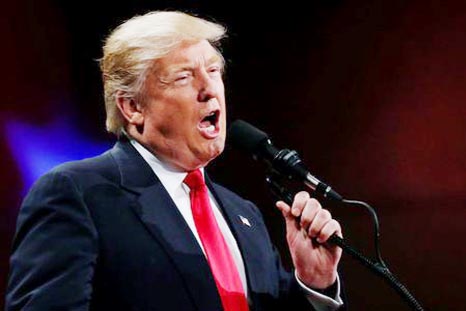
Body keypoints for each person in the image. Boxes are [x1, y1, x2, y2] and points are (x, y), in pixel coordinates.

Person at [6, 11, 345, 311]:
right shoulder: (79, 194)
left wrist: (314, 285)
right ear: (133, 108)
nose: (209, 88)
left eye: (213, 71)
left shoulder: (246, 216)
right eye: (184, 76)